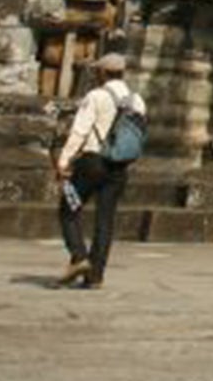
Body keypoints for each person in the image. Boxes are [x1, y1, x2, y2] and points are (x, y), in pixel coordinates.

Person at [53, 52, 145, 290]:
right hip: (119, 166)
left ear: (102, 73)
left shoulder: (97, 96)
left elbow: (80, 131)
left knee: (69, 208)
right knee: (105, 219)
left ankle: (79, 256)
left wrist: (64, 160)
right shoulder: (137, 101)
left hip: (92, 162)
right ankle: (96, 275)